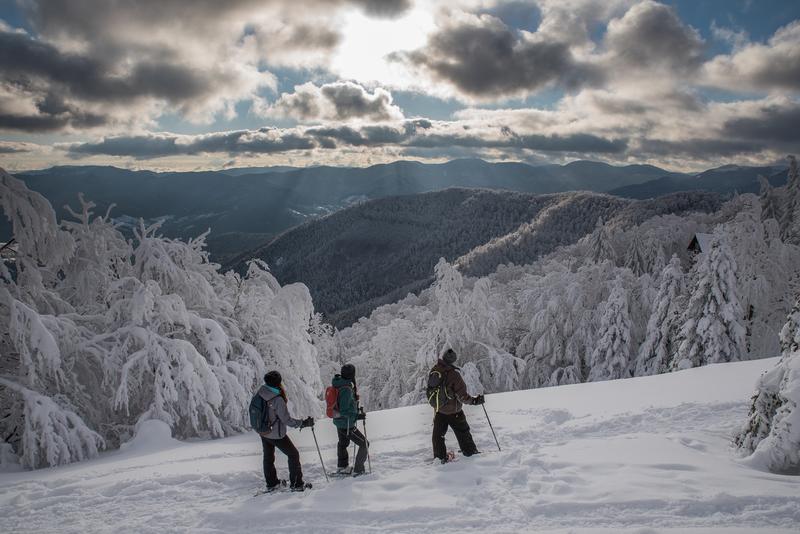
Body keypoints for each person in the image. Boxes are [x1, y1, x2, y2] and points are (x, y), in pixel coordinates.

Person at [257, 370, 314, 492]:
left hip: (263, 431)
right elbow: (286, 420)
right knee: (293, 454)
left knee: (268, 457)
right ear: (278, 383)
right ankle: (296, 484)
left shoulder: (261, 393)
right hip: (276, 434)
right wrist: (302, 423)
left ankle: (272, 484)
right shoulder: (277, 399)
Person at [429, 348, 484, 463]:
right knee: (463, 432)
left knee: (438, 436)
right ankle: (470, 452)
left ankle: (440, 458)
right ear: (453, 361)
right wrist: (475, 401)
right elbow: (463, 396)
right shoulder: (454, 375)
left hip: (439, 410)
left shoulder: (435, 370)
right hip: (454, 412)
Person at [331, 363, 369, 476]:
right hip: (346, 424)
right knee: (364, 444)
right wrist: (357, 415)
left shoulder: (338, 384)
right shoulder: (346, 389)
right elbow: (344, 410)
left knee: (343, 444)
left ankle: (342, 467)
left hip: (339, 422)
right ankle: (358, 469)